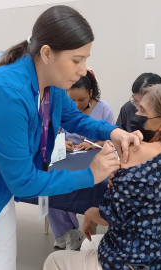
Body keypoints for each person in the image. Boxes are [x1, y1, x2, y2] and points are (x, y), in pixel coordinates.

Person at [0, 6, 141, 270]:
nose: (84, 70)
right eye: (77, 60)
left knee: (4, 263)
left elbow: (75, 118)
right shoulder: (7, 92)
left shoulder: (51, 85)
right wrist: (91, 174)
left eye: (85, 60)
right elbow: (22, 181)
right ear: (46, 53)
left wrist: (113, 131)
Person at [44, 83, 161, 270]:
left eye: (142, 110)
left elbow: (108, 216)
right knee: (87, 245)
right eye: (136, 106)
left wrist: (91, 213)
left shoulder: (132, 155)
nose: (136, 114)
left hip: (131, 261)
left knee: (53, 260)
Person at [50, 69, 116, 250]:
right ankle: (66, 232)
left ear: (91, 93)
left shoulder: (104, 108)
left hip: (93, 157)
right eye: (72, 101)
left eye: (82, 100)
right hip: (68, 157)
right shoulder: (61, 108)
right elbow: (52, 133)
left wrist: (96, 144)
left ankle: (80, 228)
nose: (77, 105)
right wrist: (62, 142)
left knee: (90, 185)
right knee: (55, 185)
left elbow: (110, 137)